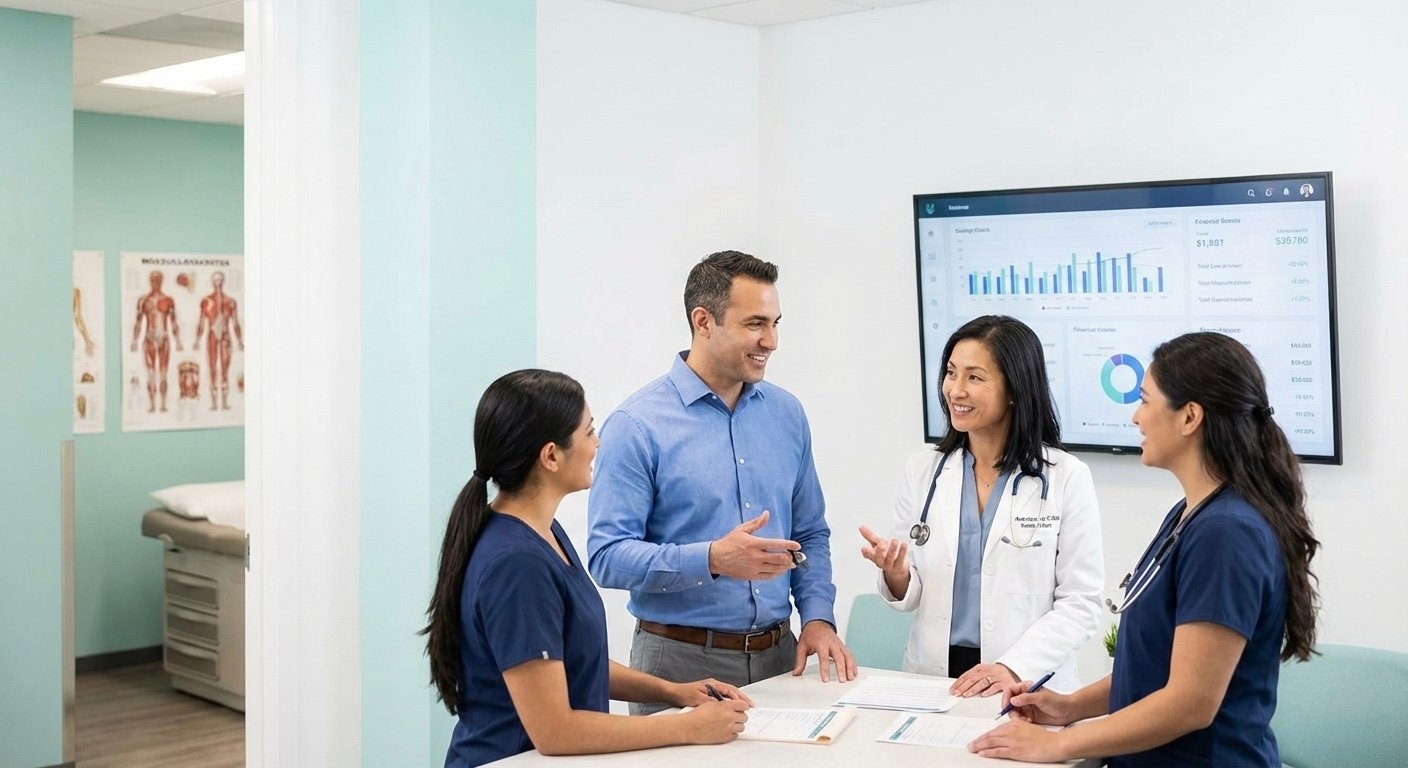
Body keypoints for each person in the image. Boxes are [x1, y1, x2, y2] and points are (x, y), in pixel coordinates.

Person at [969, 332, 1320, 766]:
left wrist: (1058, 745)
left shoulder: (1226, 533)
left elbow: (1191, 702)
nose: (1136, 417)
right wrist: (1070, 706)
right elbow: (1154, 669)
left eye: (1145, 400)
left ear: (1189, 417)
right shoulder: (1190, 514)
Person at [423, 369, 752, 768]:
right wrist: (688, 727)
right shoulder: (517, 563)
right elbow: (556, 732)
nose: (598, 444)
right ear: (551, 456)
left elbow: (571, 664)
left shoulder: (543, 534)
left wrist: (675, 692)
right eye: (589, 431)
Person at [587, 250, 856, 715]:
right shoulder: (636, 425)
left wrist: (817, 618)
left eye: (775, 323)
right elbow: (607, 557)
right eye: (755, 324)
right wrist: (712, 559)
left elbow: (810, 533)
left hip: (780, 661)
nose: (771, 341)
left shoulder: (787, 414)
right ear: (703, 321)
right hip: (678, 664)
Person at [859, 315, 1103, 698]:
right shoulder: (923, 470)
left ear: (1014, 388)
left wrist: (1011, 666)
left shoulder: (1066, 477)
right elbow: (910, 595)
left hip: (1023, 677)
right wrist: (896, 573)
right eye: (951, 373)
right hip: (934, 675)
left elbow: (1081, 602)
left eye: (974, 377)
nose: (955, 390)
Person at [130, 270, 182, 413]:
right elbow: (138, 322)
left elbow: (173, 321)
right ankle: (152, 404)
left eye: (158, 280)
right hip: (149, 339)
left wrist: (178, 340)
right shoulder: (143, 300)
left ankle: (163, 404)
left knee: (163, 373)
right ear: (150, 281)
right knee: (151, 374)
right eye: (153, 280)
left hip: (164, 338)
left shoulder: (168, 300)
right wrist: (134, 340)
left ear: (162, 281)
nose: (155, 282)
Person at [193, 271, 244, 411]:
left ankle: (225, 402)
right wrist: (197, 339)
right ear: (212, 282)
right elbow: (201, 322)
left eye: (220, 280)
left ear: (223, 281)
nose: (218, 283)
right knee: (212, 368)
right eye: (216, 280)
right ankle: (214, 403)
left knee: (225, 369)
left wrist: (239, 340)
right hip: (212, 337)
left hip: (226, 337)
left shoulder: (230, 302)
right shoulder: (206, 301)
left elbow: (235, 322)